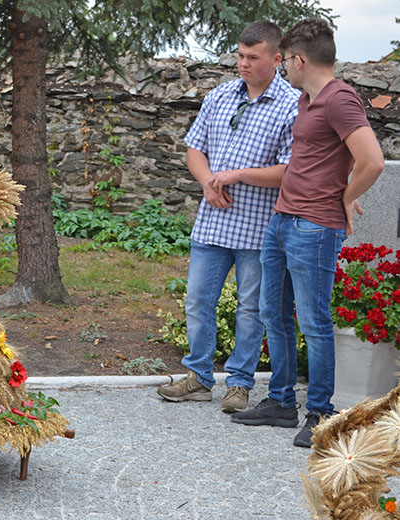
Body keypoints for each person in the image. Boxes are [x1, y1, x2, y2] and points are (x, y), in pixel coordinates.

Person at [231, 18, 385, 447]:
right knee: (273, 314)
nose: (284, 70)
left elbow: (370, 161)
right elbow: (323, 158)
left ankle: (321, 414)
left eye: (287, 62)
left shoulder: (340, 100)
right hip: (282, 219)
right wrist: (342, 191)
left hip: (314, 227)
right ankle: (281, 402)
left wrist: (343, 197)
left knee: (314, 324)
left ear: (299, 59)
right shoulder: (307, 99)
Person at [157, 20, 299, 413]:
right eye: (239, 55)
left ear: (277, 58)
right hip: (213, 222)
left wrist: (235, 175)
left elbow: (289, 170)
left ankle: (239, 384)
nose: (243, 63)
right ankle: (199, 377)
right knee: (198, 302)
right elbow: (194, 149)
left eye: (253, 57)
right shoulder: (219, 96)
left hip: (258, 229)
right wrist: (207, 182)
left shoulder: (291, 105)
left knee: (251, 310)